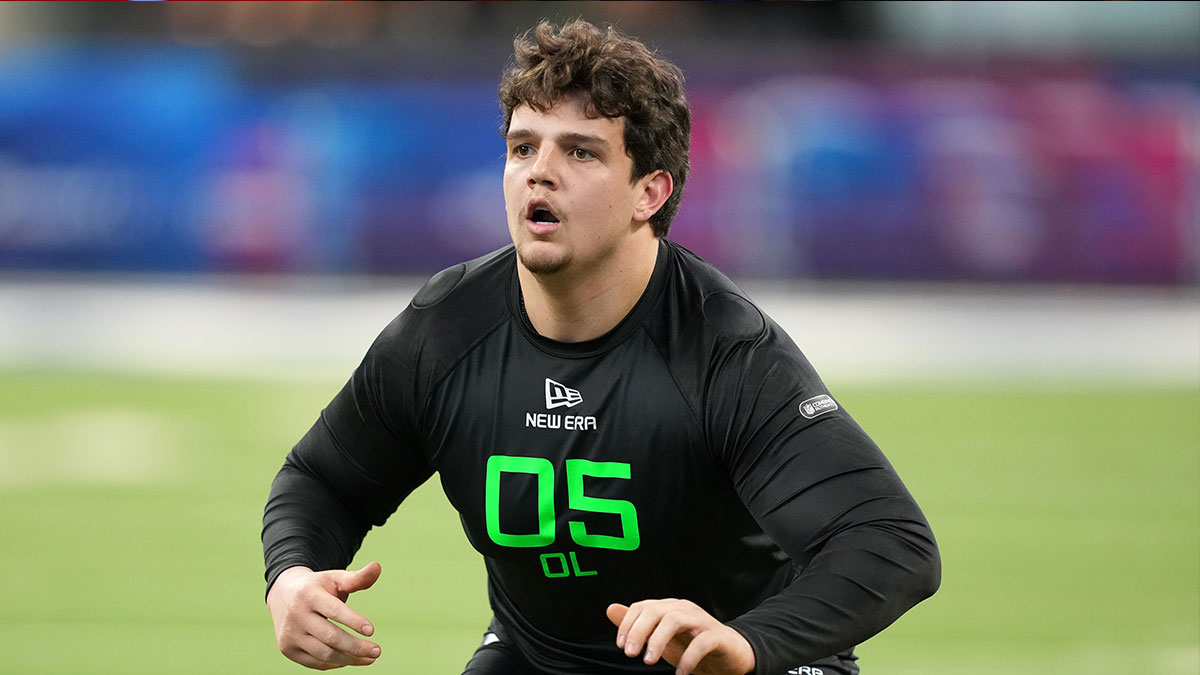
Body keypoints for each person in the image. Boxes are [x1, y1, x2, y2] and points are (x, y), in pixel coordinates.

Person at [262, 18, 939, 675]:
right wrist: (291, 576)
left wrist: (746, 642)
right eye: (523, 147)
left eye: (579, 152)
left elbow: (889, 543)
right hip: (541, 656)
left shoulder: (725, 351)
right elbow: (323, 479)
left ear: (650, 191)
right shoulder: (447, 329)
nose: (539, 172)